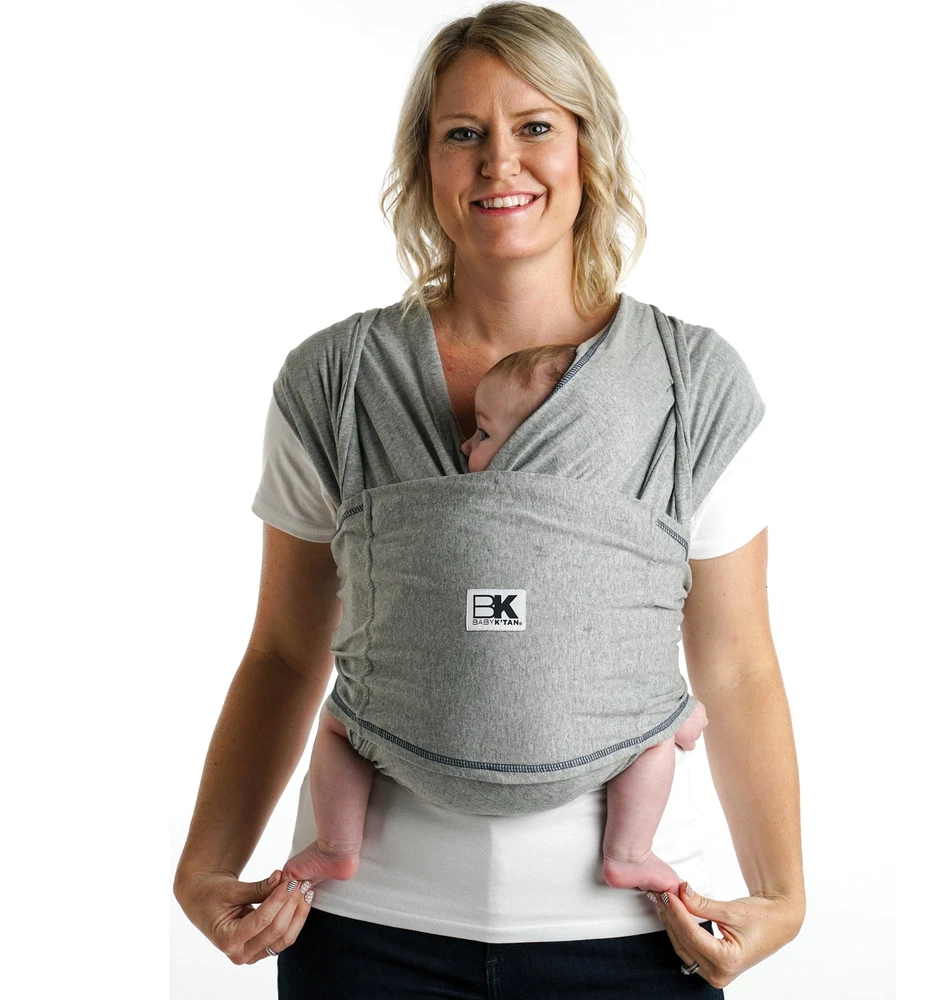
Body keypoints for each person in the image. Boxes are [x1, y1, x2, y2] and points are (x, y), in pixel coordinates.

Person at [173, 3, 806, 996]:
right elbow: (285, 652)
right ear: (424, 163)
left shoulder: (691, 386)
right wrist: (201, 865)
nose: (498, 162)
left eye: (535, 126)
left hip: (633, 935)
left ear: (588, 146)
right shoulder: (336, 381)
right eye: (461, 133)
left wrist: (783, 894)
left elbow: (735, 663)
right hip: (365, 929)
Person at [278, 342, 710, 899]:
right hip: (589, 758)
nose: (465, 443)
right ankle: (629, 852)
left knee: (339, 726)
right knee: (653, 735)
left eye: (482, 433)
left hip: (408, 752)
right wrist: (676, 710)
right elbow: (627, 640)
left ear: (535, 445)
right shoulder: (607, 523)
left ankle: (338, 844)